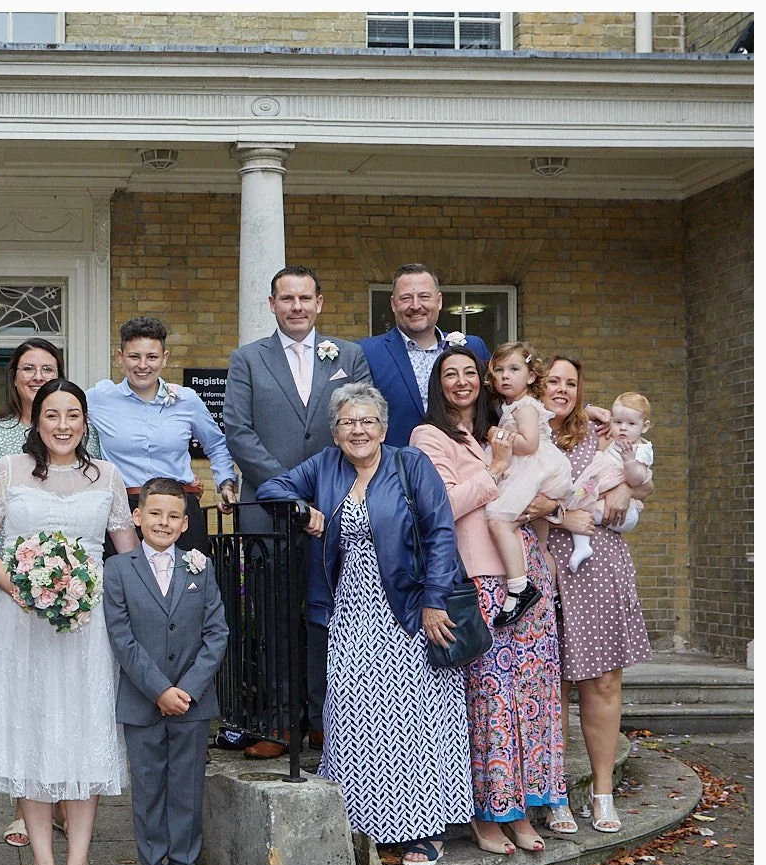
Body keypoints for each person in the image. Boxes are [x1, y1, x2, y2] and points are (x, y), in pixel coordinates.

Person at [257, 383, 471, 865]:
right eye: (347, 423)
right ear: (335, 432)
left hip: (410, 607)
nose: (357, 430)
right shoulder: (326, 466)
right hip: (350, 608)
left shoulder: (409, 464)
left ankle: (427, 828)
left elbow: (441, 531)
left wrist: (435, 602)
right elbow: (273, 489)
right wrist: (302, 508)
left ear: (383, 427)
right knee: (354, 715)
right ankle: (365, 822)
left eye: (366, 421)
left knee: (416, 720)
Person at [0, 379, 138, 865]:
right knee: (34, 739)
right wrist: (19, 589)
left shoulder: (107, 476)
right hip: (23, 624)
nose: (62, 425)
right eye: (51, 415)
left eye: (72, 414)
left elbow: (128, 556)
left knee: (83, 739)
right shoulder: (9, 472)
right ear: (36, 421)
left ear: (85, 421)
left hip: (86, 629)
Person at [410, 348, 567, 856]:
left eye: (469, 373)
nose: (461, 382)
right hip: (480, 579)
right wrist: (496, 469)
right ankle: (490, 814)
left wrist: (551, 504)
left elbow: (545, 482)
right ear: (438, 384)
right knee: (492, 703)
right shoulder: (428, 437)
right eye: (449, 374)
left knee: (533, 697)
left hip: (529, 573)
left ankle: (525, 808)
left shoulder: (502, 425)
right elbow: (443, 507)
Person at [222, 264, 369, 759]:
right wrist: (290, 497)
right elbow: (239, 432)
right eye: (287, 299)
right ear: (272, 304)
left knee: (331, 615)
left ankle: (324, 719)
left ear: (320, 302)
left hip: (336, 506)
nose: (297, 307)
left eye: (305, 298)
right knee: (273, 616)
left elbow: (363, 422)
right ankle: (279, 723)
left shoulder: (348, 356)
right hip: (270, 507)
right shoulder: (247, 359)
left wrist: (323, 497)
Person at [0, 336, 98, 847]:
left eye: (48, 367)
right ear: (14, 375)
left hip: (79, 594)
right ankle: (26, 805)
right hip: (12, 581)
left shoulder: (87, 435)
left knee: (68, 695)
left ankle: (67, 800)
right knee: (25, 695)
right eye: (29, 368)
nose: (38, 374)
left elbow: (96, 493)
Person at [103, 477, 228, 865]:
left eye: (173, 516)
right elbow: (122, 638)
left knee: (186, 793)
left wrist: (189, 689)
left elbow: (217, 634)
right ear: (137, 517)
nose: (163, 522)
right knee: (151, 793)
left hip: (191, 704)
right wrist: (159, 689)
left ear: (184, 523)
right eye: (155, 513)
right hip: (143, 701)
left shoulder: (200, 567)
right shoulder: (117, 571)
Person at [542, 357, 654, 835]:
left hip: (599, 565)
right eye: (553, 381)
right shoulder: (518, 430)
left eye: (571, 382)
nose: (562, 390)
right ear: (535, 384)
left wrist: (630, 498)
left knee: (603, 683)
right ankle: (555, 794)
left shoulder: (599, 431)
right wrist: (561, 517)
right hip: (541, 562)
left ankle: (602, 793)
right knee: (547, 689)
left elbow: (636, 485)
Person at [87, 316, 238, 555]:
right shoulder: (98, 399)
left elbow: (217, 445)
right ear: (120, 357)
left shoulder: (187, 400)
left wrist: (225, 483)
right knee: (128, 588)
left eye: (152, 357)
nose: (143, 365)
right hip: (125, 512)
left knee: (189, 585)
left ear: (165, 358)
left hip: (180, 508)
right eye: (134, 356)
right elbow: (60, 419)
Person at [483, 342, 573, 628]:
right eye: (499, 370)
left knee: (498, 521)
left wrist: (498, 434)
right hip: (533, 470)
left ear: (531, 376)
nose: (505, 376)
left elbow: (529, 444)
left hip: (533, 468)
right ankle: (550, 591)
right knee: (539, 540)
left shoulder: (524, 407)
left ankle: (519, 586)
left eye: (514, 369)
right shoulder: (511, 406)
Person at [359, 263, 492, 447]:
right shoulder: (367, 352)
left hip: (469, 465)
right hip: (397, 468)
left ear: (439, 301)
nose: (415, 306)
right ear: (393, 304)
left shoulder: (473, 347)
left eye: (424, 297)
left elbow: (493, 407)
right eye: (406, 298)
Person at [565, 391, 653, 572]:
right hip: (602, 490)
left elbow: (638, 480)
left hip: (620, 511)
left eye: (630, 424)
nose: (623, 428)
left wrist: (629, 461)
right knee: (576, 505)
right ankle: (582, 546)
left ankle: (582, 546)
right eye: (618, 422)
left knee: (581, 509)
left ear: (644, 427)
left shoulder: (641, 449)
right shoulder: (613, 440)